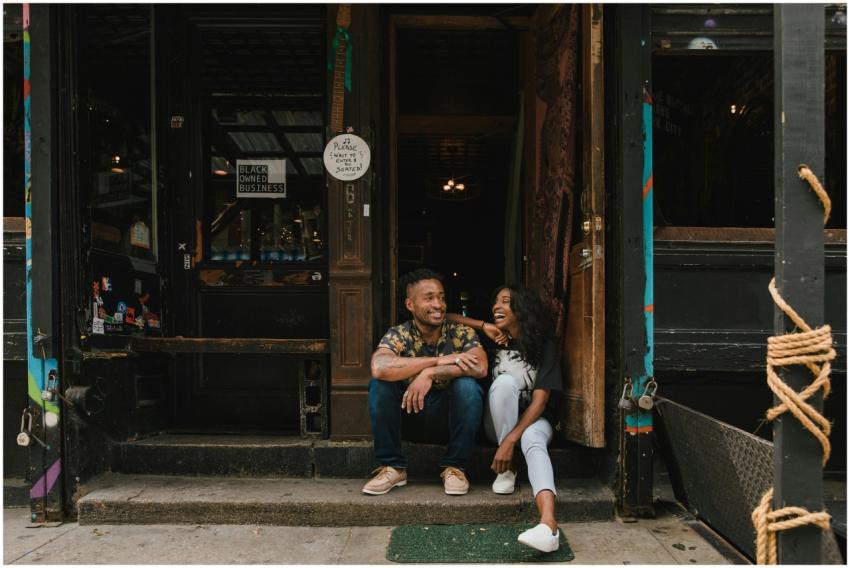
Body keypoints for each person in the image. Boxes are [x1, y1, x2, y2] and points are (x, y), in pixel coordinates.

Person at [448, 284, 563, 553]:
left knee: (533, 437)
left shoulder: (546, 345)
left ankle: (548, 525)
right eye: (495, 302)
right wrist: (484, 325)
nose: (497, 306)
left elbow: (540, 401)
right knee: (504, 385)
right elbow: (447, 317)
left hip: (534, 421)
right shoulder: (492, 340)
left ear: (522, 309)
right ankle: (506, 470)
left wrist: (512, 440)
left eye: (506, 302)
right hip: (497, 425)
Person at [363, 268, 488, 496]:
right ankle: (393, 467)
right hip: (409, 413)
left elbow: (480, 366)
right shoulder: (399, 333)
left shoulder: (460, 332)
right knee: (379, 385)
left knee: (468, 386)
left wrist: (429, 373)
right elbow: (379, 367)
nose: (438, 304)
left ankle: (455, 467)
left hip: (448, 417)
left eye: (441, 297)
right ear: (410, 305)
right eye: (429, 298)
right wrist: (439, 360)